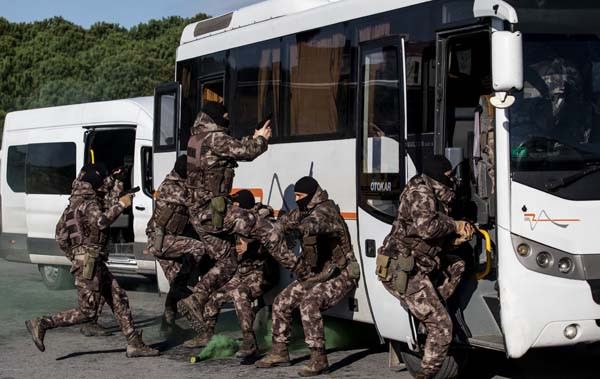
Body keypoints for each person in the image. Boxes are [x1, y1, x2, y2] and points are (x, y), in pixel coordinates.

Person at [25, 164, 159, 358]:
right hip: (89, 263)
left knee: (118, 297)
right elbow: (102, 222)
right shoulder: (89, 204)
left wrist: (75, 256)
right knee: (87, 312)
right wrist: (122, 205)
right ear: (94, 182)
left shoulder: (73, 205)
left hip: (90, 262)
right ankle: (43, 322)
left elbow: (60, 237)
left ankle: (134, 343)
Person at [375, 155, 474, 379]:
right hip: (402, 269)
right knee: (442, 327)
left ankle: (429, 311)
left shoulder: (435, 192)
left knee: (458, 264)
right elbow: (426, 228)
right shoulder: (420, 191)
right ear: (438, 176)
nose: (452, 180)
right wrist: (455, 225)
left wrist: (456, 240)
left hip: (419, 264)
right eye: (448, 176)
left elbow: (426, 239)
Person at [178, 101, 272, 331]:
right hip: (214, 212)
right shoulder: (215, 138)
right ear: (215, 118)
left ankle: (197, 298)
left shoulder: (196, 138)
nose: (228, 120)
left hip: (200, 214)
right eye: (225, 116)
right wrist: (261, 139)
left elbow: (229, 151)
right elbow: (247, 153)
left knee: (228, 261)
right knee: (268, 230)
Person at [255, 176, 361, 377]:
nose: (297, 199)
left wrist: (298, 231)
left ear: (312, 195)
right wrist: (265, 225)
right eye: (294, 196)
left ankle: (319, 358)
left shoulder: (325, 211)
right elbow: (286, 222)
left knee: (309, 304)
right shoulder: (304, 211)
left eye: (299, 196)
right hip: (319, 274)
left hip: (342, 273)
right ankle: (279, 352)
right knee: (281, 302)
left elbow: (314, 224)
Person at [187, 190, 279, 357]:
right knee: (215, 297)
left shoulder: (262, 219)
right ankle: (206, 334)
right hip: (243, 272)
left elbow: (273, 241)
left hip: (262, 272)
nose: (232, 209)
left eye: (235, 205)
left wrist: (250, 246)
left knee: (240, 295)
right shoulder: (236, 221)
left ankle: (249, 341)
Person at [146, 155, 207, 326]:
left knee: (176, 284)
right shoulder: (171, 188)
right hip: (160, 240)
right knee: (198, 248)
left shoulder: (182, 184)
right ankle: (200, 323)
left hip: (172, 240)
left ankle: (168, 322)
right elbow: (196, 203)